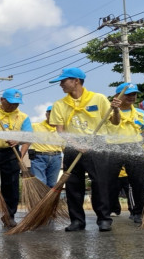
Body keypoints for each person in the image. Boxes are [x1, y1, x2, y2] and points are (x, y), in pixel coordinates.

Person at [50, 67, 118, 232]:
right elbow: (61, 131)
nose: (60, 85)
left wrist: (116, 109)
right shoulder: (59, 104)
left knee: (100, 183)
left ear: (76, 81)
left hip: (97, 143)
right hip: (73, 145)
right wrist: (76, 144)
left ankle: (104, 219)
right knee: (73, 184)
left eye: (63, 81)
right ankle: (77, 221)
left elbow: (115, 122)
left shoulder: (98, 98)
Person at [0, 88, 32, 224]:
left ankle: (9, 216)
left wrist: (20, 150)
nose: (14, 106)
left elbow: (28, 136)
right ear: (2, 100)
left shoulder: (23, 117)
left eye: (17, 103)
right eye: (11, 102)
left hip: (11, 153)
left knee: (11, 187)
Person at [108, 82, 144, 225]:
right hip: (113, 148)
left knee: (139, 182)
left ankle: (139, 213)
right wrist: (116, 109)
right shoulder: (109, 110)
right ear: (118, 96)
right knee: (110, 182)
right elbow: (115, 122)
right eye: (128, 94)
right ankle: (106, 214)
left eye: (134, 94)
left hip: (135, 148)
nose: (132, 97)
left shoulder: (140, 113)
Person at [28, 106, 63, 188]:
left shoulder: (62, 130)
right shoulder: (35, 126)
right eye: (50, 114)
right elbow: (24, 138)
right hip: (39, 157)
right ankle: (39, 201)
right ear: (46, 114)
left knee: (52, 184)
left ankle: (50, 201)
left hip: (56, 158)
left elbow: (64, 146)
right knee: (39, 183)